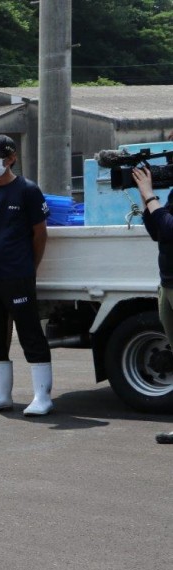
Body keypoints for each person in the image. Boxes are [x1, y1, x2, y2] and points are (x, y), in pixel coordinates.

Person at [0, 135, 53, 415]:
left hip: (18, 275)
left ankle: (42, 397)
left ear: (11, 159)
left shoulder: (28, 190)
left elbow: (40, 234)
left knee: (30, 334)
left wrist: (30, 267)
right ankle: (1, 395)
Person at [131, 166, 173, 443]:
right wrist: (146, 200)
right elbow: (157, 231)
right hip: (168, 282)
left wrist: (148, 195)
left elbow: (170, 229)